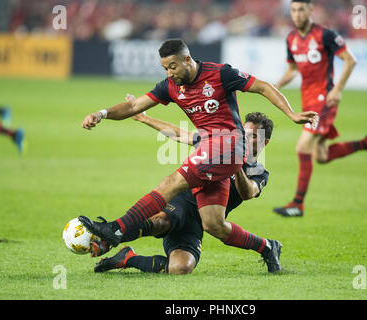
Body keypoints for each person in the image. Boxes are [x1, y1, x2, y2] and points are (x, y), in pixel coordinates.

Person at [78, 39, 317, 265]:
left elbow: (263, 87)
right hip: (210, 149)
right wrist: (102, 114)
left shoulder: (221, 74)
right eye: (165, 68)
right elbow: (134, 106)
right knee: (213, 223)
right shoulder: (171, 87)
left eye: (172, 66)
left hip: (229, 146)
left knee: (170, 182)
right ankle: (267, 247)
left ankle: (115, 229)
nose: (169, 73)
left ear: (187, 59)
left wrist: (293, 114)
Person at [90, 110, 278, 274]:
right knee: (161, 221)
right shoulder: (218, 145)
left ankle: (128, 258)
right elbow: (180, 134)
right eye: (243, 132)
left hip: (199, 223)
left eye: (252, 135)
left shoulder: (258, 172)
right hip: (182, 202)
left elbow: (248, 193)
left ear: (265, 142)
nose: (245, 138)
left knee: (180, 268)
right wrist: (144, 118)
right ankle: (108, 238)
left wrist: (236, 165)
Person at [272, 0, 367, 217]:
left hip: (324, 99)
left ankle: (297, 204)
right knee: (321, 156)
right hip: (307, 99)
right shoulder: (291, 38)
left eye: (300, 10)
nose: (296, 14)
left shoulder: (325, 35)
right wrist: (274, 86)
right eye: (293, 10)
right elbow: (292, 70)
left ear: (310, 10)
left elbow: (350, 61)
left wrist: (338, 90)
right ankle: (366, 143)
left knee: (302, 147)